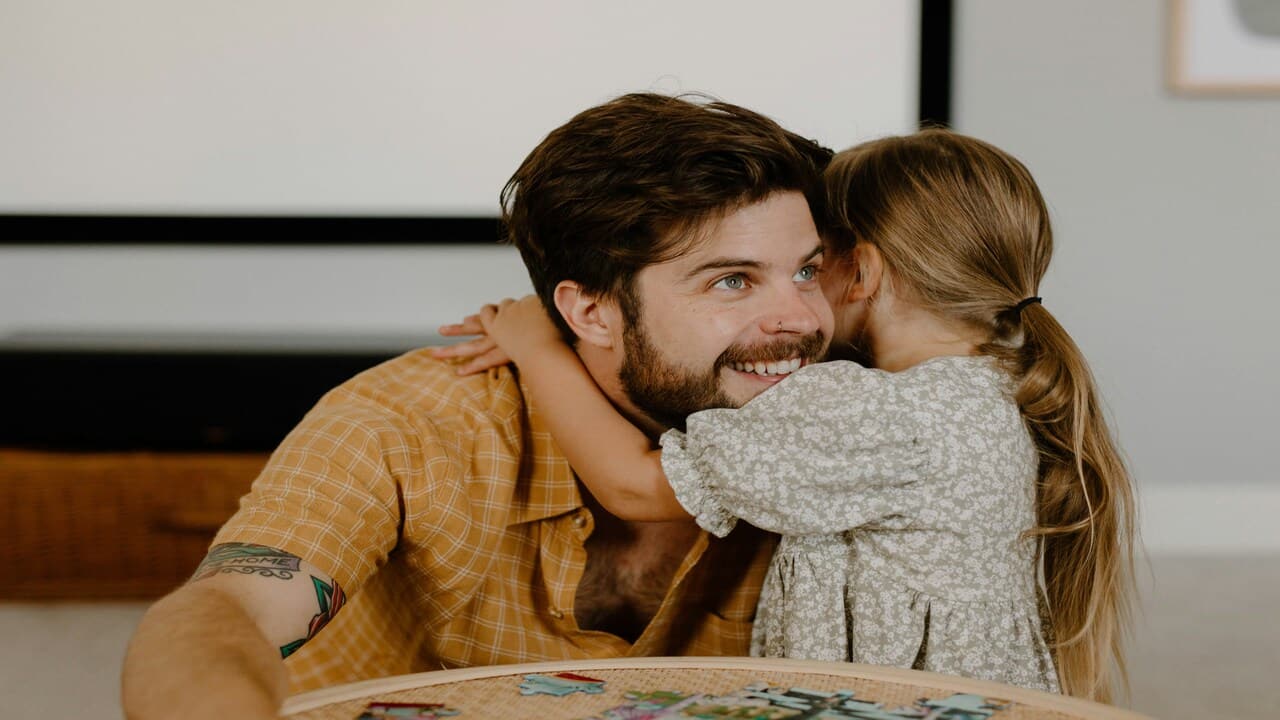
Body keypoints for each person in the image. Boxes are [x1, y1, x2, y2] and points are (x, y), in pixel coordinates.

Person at [119, 92, 834, 720]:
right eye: (733, 282)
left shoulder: (849, 425)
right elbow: (226, 610)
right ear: (590, 312)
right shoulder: (409, 420)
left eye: (807, 270)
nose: (800, 318)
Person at [441, 130, 1136, 702]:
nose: (794, 305)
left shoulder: (860, 410)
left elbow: (633, 486)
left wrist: (536, 344)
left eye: (808, 267)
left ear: (860, 272)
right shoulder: (997, 381)